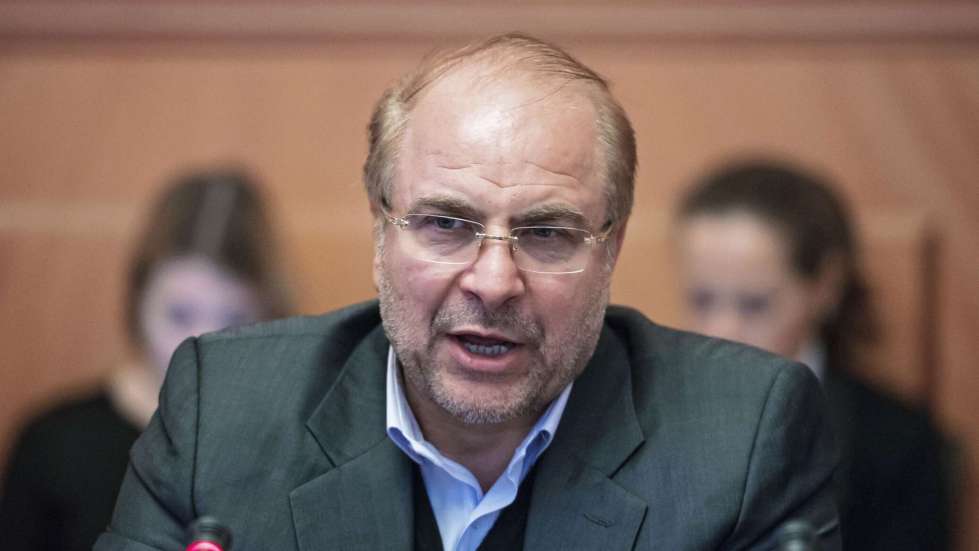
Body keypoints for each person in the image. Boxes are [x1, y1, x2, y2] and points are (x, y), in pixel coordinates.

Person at [95, 34, 841, 550]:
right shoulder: (224, 411)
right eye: (446, 224)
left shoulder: (741, 438)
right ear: (380, 231)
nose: (493, 281)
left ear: (609, 249)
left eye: (546, 233)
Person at [0, 168, 293, 551]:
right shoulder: (54, 445)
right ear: (138, 304)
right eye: (179, 315)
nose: (203, 345)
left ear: (269, 320)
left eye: (233, 320)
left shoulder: (295, 451)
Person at [673, 159, 953, 550]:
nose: (720, 331)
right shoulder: (642, 416)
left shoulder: (899, 444)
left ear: (825, 287)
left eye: (754, 304)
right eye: (702, 300)